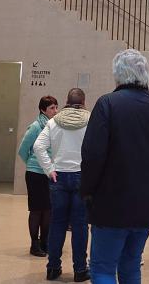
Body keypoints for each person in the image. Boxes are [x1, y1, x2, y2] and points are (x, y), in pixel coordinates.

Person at [81, 49, 149, 284]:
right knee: (131, 266)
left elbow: (93, 154)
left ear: (117, 74)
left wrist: (87, 190)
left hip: (111, 204)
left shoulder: (107, 104)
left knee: (102, 268)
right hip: (145, 204)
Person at [35, 88, 91, 282]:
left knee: (57, 224)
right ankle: (80, 270)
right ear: (83, 102)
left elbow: (38, 146)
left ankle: (53, 268)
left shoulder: (53, 122)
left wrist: (49, 169)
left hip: (58, 178)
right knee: (80, 225)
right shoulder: (90, 121)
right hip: (81, 177)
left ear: (67, 101)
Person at [17, 95, 59, 256]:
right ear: (43, 110)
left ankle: (44, 242)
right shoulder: (35, 126)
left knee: (48, 210)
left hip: (50, 173)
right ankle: (34, 245)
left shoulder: (54, 126)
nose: (55, 111)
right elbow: (23, 150)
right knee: (36, 210)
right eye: (52, 108)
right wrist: (33, 163)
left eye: (56, 107)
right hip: (35, 174)